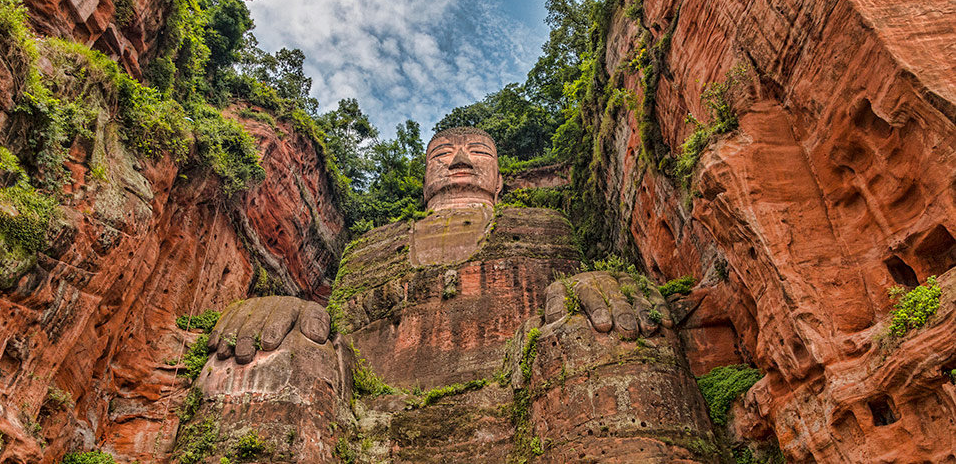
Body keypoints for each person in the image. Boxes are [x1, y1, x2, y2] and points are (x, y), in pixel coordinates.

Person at [190, 127, 718, 463]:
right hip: (370, 419)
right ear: (423, 177)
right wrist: (288, 308)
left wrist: (596, 284)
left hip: (523, 399)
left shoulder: (543, 227)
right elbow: (333, 340)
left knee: (604, 330)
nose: (459, 158)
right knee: (270, 354)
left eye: (477, 151)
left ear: (501, 177)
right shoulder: (373, 248)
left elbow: (562, 311)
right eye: (441, 153)